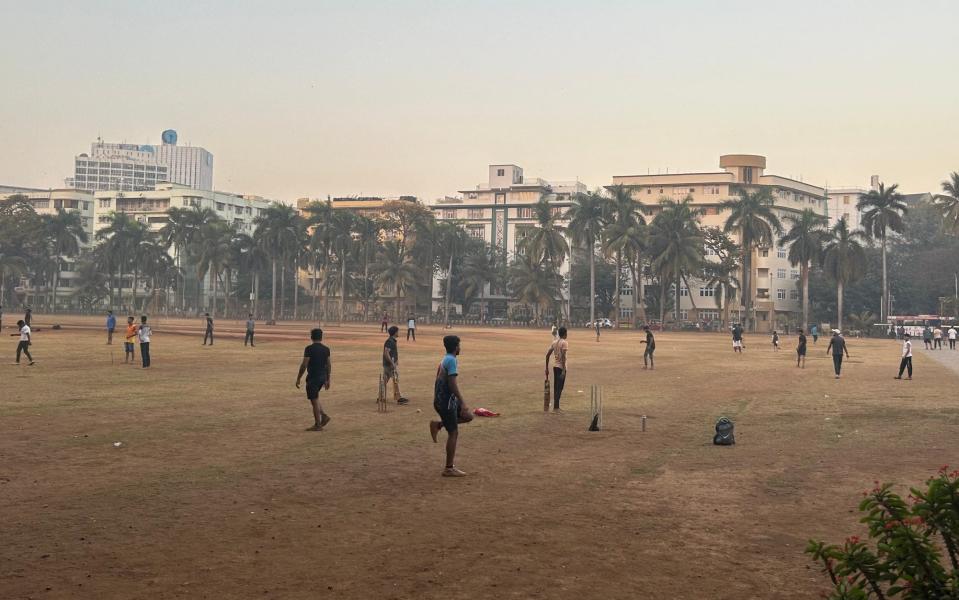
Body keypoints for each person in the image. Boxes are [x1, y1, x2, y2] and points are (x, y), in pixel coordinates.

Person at [429, 335, 472, 477]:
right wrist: (462, 402)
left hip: (445, 400)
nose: (460, 348)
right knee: (453, 433)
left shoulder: (446, 358)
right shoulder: (451, 360)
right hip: (446, 402)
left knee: (468, 416)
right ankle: (448, 468)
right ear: (455, 347)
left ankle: (439, 425)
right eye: (459, 345)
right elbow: (452, 384)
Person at [295, 328, 332, 431]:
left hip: (313, 378)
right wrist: (328, 379)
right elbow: (328, 365)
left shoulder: (309, 349)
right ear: (321, 337)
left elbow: (304, 365)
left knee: (314, 400)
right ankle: (324, 416)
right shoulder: (326, 349)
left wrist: (298, 378)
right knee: (315, 398)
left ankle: (318, 424)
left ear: (311, 337)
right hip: (322, 377)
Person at [380, 325, 408, 406]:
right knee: (395, 380)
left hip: (388, 364)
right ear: (395, 332)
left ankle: (381, 396)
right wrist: (392, 363)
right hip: (389, 365)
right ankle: (398, 398)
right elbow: (386, 353)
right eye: (397, 331)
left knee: (385, 380)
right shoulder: (390, 341)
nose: (398, 333)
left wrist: (396, 361)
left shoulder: (392, 341)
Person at [544, 326, 568, 411]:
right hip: (561, 368)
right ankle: (556, 407)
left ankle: (556, 406)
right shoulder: (564, 342)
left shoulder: (554, 342)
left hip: (555, 367)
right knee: (560, 388)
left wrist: (546, 368)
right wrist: (564, 370)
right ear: (565, 334)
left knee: (556, 387)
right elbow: (564, 357)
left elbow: (547, 355)